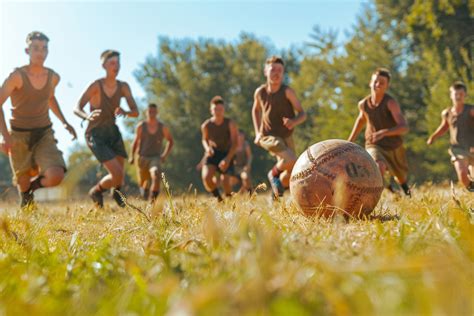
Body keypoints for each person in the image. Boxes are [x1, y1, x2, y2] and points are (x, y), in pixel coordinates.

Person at [0, 31, 76, 207]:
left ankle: (29, 191)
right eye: (35, 48)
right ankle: (26, 195)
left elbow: (50, 98)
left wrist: (65, 122)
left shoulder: (53, 77)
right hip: (18, 135)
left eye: (44, 48)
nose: (40, 52)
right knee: (22, 180)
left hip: (44, 132)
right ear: (27, 51)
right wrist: (5, 135)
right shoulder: (17, 76)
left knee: (56, 175)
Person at [74, 50, 138, 208]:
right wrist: (86, 116)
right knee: (116, 173)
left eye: (118, 63)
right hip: (95, 134)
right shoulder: (96, 85)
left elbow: (135, 112)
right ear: (104, 65)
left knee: (119, 177)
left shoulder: (123, 87)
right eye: (112, 63)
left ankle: (115, 193)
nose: (116, 66)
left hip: (113, 132)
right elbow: (77, 107)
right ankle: (96, 191)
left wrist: (125, 112)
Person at [348, 68, 411, 196]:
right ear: (370, 83)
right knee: (378, 166)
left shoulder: (390, 103)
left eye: (382, 83)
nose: (378, 85)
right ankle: (381, 194)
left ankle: (406, 192)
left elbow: (404, 127)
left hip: (394, 145)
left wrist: (384, 132)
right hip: (373, 144)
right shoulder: (363, 104)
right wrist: (349, 141)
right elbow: (361, 120)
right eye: (375, 81)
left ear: (387, 86)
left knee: (401, 177)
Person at [252, 56, 306, 199]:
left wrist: (293, 122)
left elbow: (302, 113)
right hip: (268, 135)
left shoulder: (287, 92)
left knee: (292, 170)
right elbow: (255, 110)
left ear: (283, 73)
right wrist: (258, 132)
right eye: (273, 69)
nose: (276, 73)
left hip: (286, 135)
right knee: (292, 159)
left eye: (280, 70)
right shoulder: (260, 92)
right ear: (265, 71)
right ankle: (273, 174)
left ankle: (276, 193)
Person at [427, 81, 473, 192]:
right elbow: (444, 127)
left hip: (472, 147)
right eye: (455, 94)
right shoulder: (447, 113)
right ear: (451, 95)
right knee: (462, 175)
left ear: (465, 95)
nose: (458, 97)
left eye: (461, 94)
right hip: (457, 148)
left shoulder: (471, 110)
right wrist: (433, 137)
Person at [129, 103, 174, 201]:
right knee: (143, 182)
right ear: (146, 113)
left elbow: (170, 141)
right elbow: (135, 142)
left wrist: (164, 155)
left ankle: (152, 201)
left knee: (156, 175)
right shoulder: (141, 126)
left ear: (157, 112)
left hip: (155, 157)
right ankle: (145, 193)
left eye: (154, 111)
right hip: (142, 157)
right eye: (150, 111)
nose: (152, 113)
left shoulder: (162, 127)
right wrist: (131, 156)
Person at [201, 96, 238, 201]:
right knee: (206, 178)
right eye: (215, 109)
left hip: (227, 153)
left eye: (220, 109)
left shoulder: (230, 123)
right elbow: (204, 139)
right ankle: (219, 199)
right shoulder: (206, 125)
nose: (218, 112)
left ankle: (230, 203)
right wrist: (207, 148)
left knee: (225, 182)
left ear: (224, 110)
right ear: (211, 110)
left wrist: (228, 158)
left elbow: (235, 143)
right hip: (213, 153)